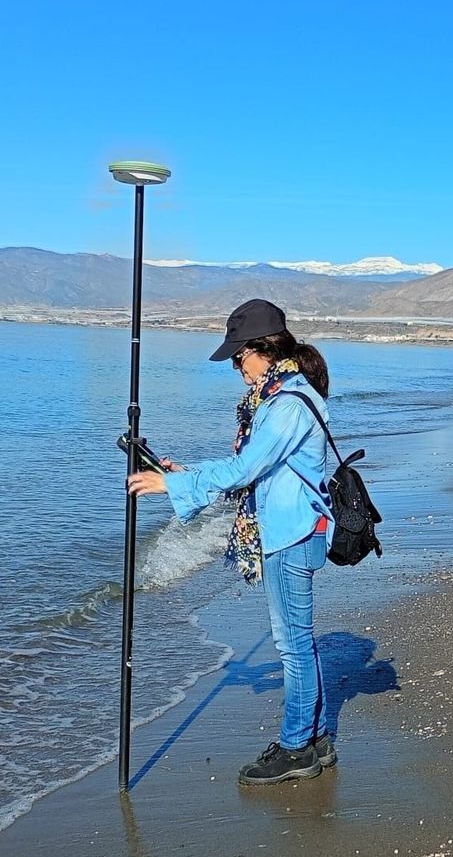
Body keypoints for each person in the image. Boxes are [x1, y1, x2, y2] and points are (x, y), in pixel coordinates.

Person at [128, 298, 338, 785]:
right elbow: (255, 471)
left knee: (292, 646)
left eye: (238, 358)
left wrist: (172, 486)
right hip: (294, 526)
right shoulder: (282, 395)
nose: (236, 369)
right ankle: (316, 738)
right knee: (299, 643)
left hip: (290, 531)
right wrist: (188, 473)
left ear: (262, 349)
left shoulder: (285, 405)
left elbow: (246, 469)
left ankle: (296, 749)